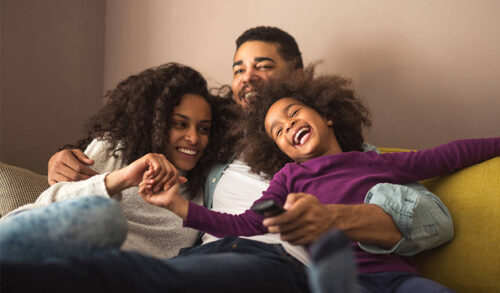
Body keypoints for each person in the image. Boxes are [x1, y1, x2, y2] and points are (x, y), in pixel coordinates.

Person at [0, 27, 454, 293]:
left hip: (295, 265)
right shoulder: (208, 144)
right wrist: (66, 154)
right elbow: (139, 139)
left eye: (263, 65)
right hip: (226, 255)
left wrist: (331, 218)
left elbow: (433, 220)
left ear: (295, 77)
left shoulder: (337, 151)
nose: (247, 77)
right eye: (238, 68)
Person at [140, 67, 499, 292]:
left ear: (326, 115)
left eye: (293, 114)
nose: (288, 126)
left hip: (398, 278)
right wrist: (179, 205)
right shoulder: (289, 177)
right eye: (277, 131)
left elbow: (450, 155)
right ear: (281, 150)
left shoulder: (373, 161)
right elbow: (246, 223)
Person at [0, 62, 232, 261]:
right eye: (180, 124)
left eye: (203, 129)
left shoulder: (197, 195)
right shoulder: (114, 148)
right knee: (105, 217)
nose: (194, 138)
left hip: (98, 272)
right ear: (157, 123)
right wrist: (123, 178)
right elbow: (48, 203)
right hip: (33, 237)